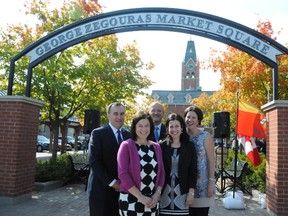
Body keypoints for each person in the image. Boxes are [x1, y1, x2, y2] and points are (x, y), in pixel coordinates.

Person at [117, 112, 165, 215]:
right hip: (131, 200)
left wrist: (157, 194)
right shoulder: (126, 145)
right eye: (140, 126)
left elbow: (162, 173)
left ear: (151, 127)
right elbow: (123, 174)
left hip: (152, 201)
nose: (144, 129)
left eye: (147, 125)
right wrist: (141, 197)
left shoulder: (156, 147)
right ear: (134, 127)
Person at [87, 102, 131, 216]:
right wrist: (113, 183)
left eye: (122, 114)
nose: (119, 117)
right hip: (101, 191)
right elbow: (94, 161)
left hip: (122, 192)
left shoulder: (128, 135)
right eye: (115, 113)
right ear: (108, 115)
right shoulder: (98, 133)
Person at [159, 113, 198, 216]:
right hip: (164, 194)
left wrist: (191, 192)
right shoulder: (161, 146)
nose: (174, 129)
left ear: (182, 128)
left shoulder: (189, 146)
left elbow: (193, 170)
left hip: (182, 194)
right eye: (171, 126)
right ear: (167, 128)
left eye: (177, 126)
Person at [184, 106, 215, 216]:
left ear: (198, 120)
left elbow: (211, 161)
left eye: (193, 117)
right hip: (185, 186)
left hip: (203, 186)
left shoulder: (205, 136)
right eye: (188, 117)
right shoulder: (182, 136)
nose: (190, 120)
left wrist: (211, 183)